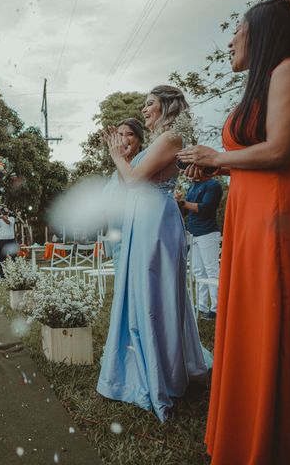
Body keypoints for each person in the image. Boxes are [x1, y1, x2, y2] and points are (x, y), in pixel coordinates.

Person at [177, 0, 290, 464]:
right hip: (246, 211)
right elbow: (257, 154)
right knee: (246, 314)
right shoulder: (262, 84)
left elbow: (281, 151)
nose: (230, 39)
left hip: (272, 215)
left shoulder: (287, 69)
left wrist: (218, 158)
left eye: (237, 29)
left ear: (261, 32)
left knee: (270, 317)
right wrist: (220, 170)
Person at [97, 85, 207, 422]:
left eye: (149, 104)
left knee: (153, 294)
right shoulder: (163, 138)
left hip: (156, 223)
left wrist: (118, 156)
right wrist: (122, 159)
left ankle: (162, 373)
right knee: (138, 292)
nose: (144, 109)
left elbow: (135, 182)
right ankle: (141, 359)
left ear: (167, 106)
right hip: (141, 221)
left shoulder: (171, 137)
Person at [101, 118, 145, 272]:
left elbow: (127, 190)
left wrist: (120, 157)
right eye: (119, 134)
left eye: (130, 134)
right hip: (117, 234)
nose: (124, 139)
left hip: (135, 233)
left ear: (139, 139)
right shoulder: (115, 173)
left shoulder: (143, 164)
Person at [175, 178, 223, 320]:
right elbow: (186, 212)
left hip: (208, 232)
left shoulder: (213, 185)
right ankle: (202, 306)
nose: (188, 172)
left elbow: (206, 208)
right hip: (193, 233)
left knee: (211, 270)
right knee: (198, 271)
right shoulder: (192, 186)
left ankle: (216, 308)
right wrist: (178, 202)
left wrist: (182, 202)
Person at [0, 208, 18, 278]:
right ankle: (3, 276)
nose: (5, 210)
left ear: (8, 212)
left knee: (14, 258)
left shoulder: (12, 218)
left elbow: (8, 222)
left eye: (6, 209)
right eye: (3, 210)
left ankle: (15, 274)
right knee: (2, 259)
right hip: (2, 241)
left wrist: (1, 216)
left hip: (11, 240)